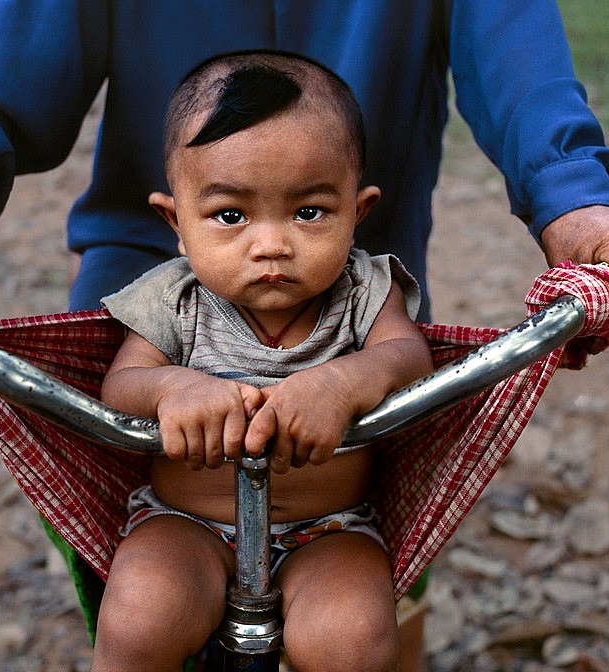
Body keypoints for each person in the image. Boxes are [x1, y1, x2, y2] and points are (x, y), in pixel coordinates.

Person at [0, 1, 609, 341]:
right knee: (131, 584)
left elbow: (525, 79)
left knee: (376, 585)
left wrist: (579, 213)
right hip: (136, 291)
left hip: (361, 295)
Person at [92, 50, 433, 671]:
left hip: (330, 528)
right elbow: (120, 388)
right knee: (139, 620)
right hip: (187, 521)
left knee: (352, 642)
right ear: (176, 221)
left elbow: (410, 359)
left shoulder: (365, 290)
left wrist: (343, 381)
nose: (271, 244)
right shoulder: (173, 296)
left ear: (358, 212)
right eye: (230, 215)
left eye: (309, 212)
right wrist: (172, 388)